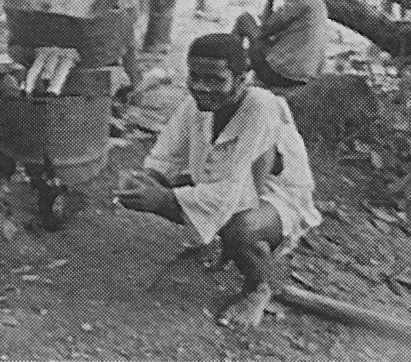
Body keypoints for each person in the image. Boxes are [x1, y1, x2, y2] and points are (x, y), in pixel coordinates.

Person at [115, 33, 322, 329]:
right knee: (162, 192)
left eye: (215, 79)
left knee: (240, 227)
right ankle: (227, 244)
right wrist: (144, 181)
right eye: (195, 77)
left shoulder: (261, 107)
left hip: (276, 195)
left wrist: (163, 199)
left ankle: (258, 288)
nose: (201, 87)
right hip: (229, 185)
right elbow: (166, 156)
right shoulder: (194, 105)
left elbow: (236, 194)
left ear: (242, 80)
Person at [232, 0, 328, 89]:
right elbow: (269, 28)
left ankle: (229, 67)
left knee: (244, 20)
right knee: (251, 49)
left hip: (284, 74)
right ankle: (236, 67)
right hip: (303, 73)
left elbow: (265, 29)